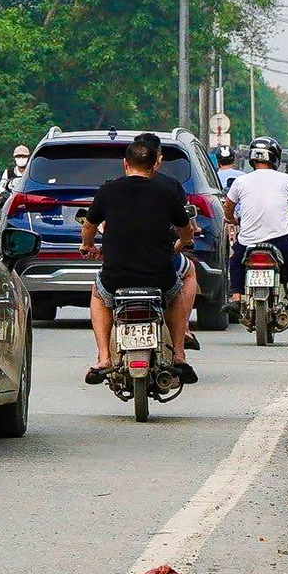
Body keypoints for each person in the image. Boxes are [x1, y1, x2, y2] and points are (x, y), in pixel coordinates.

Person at [79, 132, 200, 387]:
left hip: (116, 278)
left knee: (98, 295)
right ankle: (178, 355)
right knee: (177, 294)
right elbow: (186, 228)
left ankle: (103, 358)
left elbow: (89, 225)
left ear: (125, 163)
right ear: (156, 162)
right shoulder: (168, 190)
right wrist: (183, 243)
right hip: (160, 277)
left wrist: (87, 245)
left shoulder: (108, 190)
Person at [224, 136, 288, 320]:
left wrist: (231, 219)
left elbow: (228, 206)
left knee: (235, 260)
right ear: (275, 158)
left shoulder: (241, 181)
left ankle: (236, 297)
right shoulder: (287, 180)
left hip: (248, 242)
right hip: (280, 241)